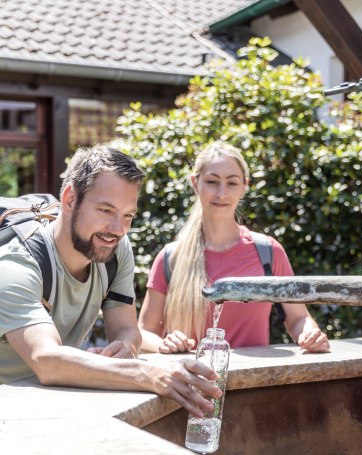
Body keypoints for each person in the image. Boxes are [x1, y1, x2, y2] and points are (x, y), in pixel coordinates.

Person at [0, 146, 221, 417]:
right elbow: (46, 360)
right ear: (70, 199)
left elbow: (127, 330)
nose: (118, 229)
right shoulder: (17, 265)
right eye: (106, 210)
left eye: (128, 215)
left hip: (47, 405)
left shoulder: (116, 249)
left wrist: (125, 348)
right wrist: (147, 373)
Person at [138, 141, 330, 354]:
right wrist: (165, 344)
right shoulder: (170, 258)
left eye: (232, 183)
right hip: (190, 383)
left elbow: (298, 319)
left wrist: (310, 334)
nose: (221, 193)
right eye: (212, 181)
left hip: (256, 383)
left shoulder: (268, 251)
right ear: (195, 183)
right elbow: (144, 332)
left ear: (244, 187)